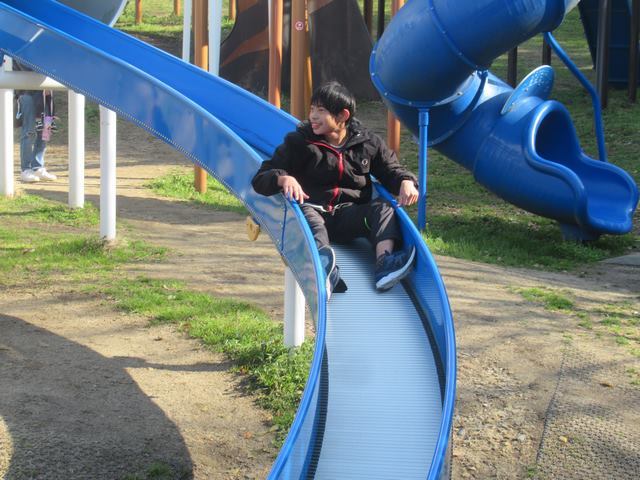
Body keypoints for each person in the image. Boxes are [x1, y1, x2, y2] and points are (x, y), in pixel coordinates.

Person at [252, 81, 420, 294]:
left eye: (321, 111)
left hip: (349, 216)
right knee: (308, 218)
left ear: (343, 115)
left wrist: (406, 181)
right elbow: (261, 178)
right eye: (312, 109)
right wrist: (283, 179)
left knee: (383, 208)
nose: (313, 116)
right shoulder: (300, 143)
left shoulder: (367, 143)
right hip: (313, 209)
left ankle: (384, 264)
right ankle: (322, 268)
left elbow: (390, 170)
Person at [14, 61, 57, 183]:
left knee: (46, 130)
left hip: (46, 93)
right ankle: (26, 169)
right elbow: (26, 65)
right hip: (27, 93)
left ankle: (38, 166)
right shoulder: (20, 51)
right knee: (29, 131)